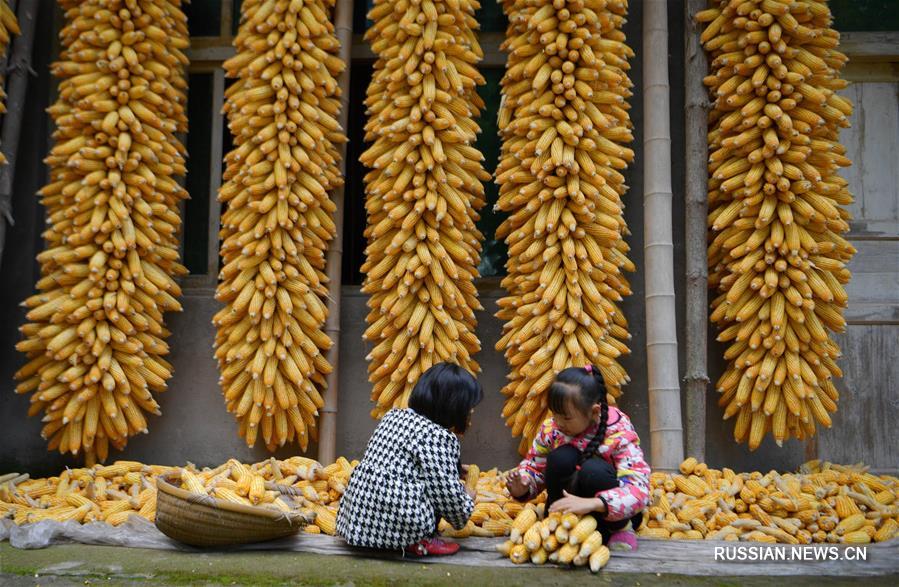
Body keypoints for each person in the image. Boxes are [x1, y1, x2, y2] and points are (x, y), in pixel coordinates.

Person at [336, 362, 482, 557]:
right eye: (468, 407)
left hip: (358, 522)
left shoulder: (393, 417)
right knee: (437, 494)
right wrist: (466, 502)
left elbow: (402, 464)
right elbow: (446, 495)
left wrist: (452, 468)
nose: (470, 413)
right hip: (398, 519)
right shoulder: (438, 436)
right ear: (453, 406)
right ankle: (418, 540)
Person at [506, 365, 650, 551]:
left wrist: (594, 504)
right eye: (555, 415)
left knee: (592, 470)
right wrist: (524, 485)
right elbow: (535, 466)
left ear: (594, 412)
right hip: (567, 508)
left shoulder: (619, 432)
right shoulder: (552, 429)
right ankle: (559, 522)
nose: (558, 423)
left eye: (566, 418)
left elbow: (639, 489)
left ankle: (620, 529)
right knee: (561, 458)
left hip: (607, 512)